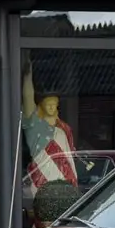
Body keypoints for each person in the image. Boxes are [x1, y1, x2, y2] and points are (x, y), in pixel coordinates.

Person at [22, 58, 78, 206]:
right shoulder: (36, 127)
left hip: (66, 184)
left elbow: (70, 156)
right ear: (41, 106)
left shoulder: (64, 128)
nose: (52, 107)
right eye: (48, 104)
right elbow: (28, 98)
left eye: (54, 104)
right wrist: (27, 77)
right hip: (44, 182)